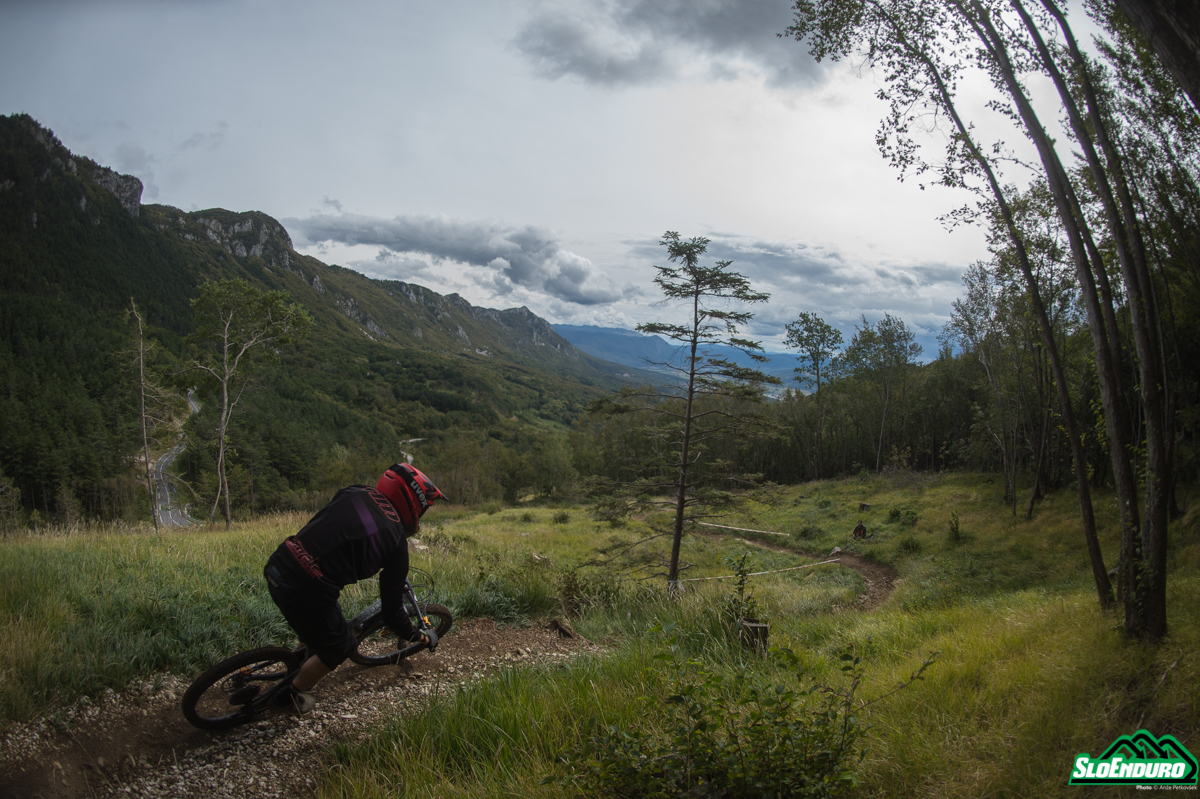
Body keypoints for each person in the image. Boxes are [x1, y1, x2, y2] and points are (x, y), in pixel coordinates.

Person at [263, 462, 446, 714]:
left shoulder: (356, 491)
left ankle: (300, 660)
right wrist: (419, 636)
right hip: (307, 587)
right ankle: (287, 698)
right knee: (341, 647)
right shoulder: (396, 542)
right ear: (413, 503)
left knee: (319, 620)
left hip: (280, 561)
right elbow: (393, 614)